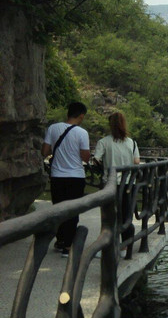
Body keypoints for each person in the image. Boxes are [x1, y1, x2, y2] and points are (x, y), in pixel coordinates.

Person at [42, 101, 91, 257]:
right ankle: (68, 246)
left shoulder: (53, 128)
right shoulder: (82, 133)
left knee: (58, 210)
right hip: (76, 177)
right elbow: (85, 157)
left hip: (57, 176)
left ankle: (60, 240)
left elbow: (44, 151)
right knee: (72, 211)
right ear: (81, 115)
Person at [93, 112, 140, 254]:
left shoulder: (104, 142)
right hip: (127, 184)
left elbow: (96, 159)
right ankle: (125, 246)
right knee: (126, 214)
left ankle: (107, 245)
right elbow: (136, 161)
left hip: (110, 184)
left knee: (109, 216)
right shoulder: (131, 142)